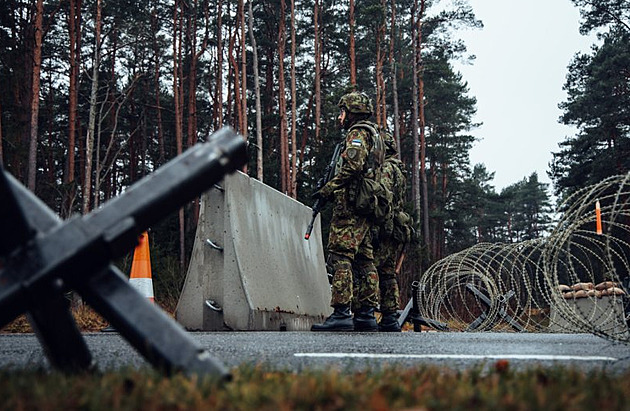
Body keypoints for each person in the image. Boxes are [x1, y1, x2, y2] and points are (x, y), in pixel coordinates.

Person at [311, 91, 385, 332]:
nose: (340, 117)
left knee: (340, 256)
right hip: (364, 206)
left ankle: (342, 312)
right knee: (365, 260)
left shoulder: (357, 134)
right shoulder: (374, 134)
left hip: (351, 206)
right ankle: (366, 314)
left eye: (343, 112)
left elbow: (352, 166)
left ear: (352, 113)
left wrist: (327, 190)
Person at [373, 132, 409, 332]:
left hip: (385, 226)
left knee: (371, 268)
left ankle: (367, 312)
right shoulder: (399, 170)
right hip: (394, 226)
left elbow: (383, 196)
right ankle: (389, 316)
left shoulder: (387, 168)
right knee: (387, 273)